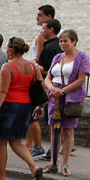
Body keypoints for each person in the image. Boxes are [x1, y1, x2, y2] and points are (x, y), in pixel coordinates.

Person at [0, 37, 44, 180]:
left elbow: (2, 92)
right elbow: (41, 87)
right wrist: (41, 107)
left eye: (7, 48)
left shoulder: (8, 67)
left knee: (1, 142)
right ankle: (34, 167)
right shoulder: (32, 66)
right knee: (17, 142)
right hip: (25, 106)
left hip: (8, 106)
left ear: (11, 49)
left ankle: (1, 176)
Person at [42, 29, 89, 177]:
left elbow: (81, 79)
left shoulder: (82, 57)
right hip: (54, 97)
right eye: (61, 41)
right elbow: (48, 76)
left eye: (65, 41)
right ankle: (53, 162)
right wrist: (51, 88)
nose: (62, 44)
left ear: (74, 41)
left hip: (69, 97)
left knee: (67, 130)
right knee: (53, 129)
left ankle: (65, 163)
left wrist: (63, 91)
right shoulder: (58, 57)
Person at [28, 18, 62, 159]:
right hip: (53, 86)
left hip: (49, 87)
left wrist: (33, 65)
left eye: (44, 28)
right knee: (53, 122)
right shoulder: (54, 46)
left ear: (51, 29)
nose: (42, 31)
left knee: (51, 121)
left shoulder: (49, 48)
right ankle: (53, 150)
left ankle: (51, 151)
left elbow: (47, 69)